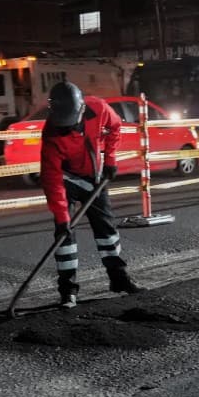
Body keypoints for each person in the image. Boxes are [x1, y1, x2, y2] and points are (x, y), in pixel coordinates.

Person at [39, 81, 141, 308]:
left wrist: (111, 160)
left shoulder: (99, 108)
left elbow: (115, 128)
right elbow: (52, 179)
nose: (67, 129)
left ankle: (119, 279)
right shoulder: (51, 133)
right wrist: (62, 218)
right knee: (64, 235)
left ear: (82, 109)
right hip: (65, 180)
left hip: (93, 178)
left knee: (106, 229)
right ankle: (68, 291)